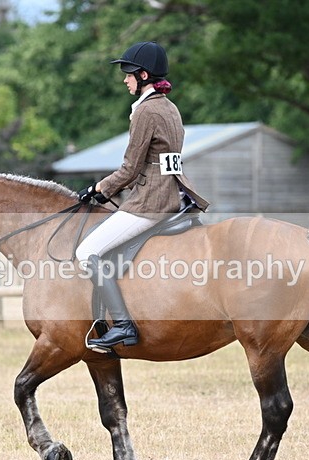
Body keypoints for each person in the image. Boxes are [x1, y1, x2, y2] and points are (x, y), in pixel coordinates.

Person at [75, 41, 210, 353]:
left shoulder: (146, 111)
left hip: (151, 202)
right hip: (176, 196)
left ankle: (121, 325)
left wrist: (99, 190)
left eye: (128, 74)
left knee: (87, 251)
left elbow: (130, 169)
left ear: (144, 75)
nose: (125, 79)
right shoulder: (170, 108)